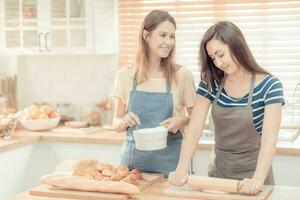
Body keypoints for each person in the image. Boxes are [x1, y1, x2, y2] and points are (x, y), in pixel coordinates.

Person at [168, 21, 284, 195]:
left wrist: (257, 180)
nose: (218, 63)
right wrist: (181, 168)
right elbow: (194, 128)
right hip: (218, 180)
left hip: (254, 180)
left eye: (220, 54)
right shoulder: (212, 83)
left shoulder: (270, 85)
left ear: (236, 45)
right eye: (213, 58)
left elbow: (269, 139)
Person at [112, 10, 196, 177]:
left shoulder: (182, 75)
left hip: (171, 167)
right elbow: (115, 122)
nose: (169, 42)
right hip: (131, 168)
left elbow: (197, 119)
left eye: (172, 36)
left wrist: (182, 121)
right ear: (146, 35)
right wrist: (123, 121)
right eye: (163, 35)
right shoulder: (125, 76)